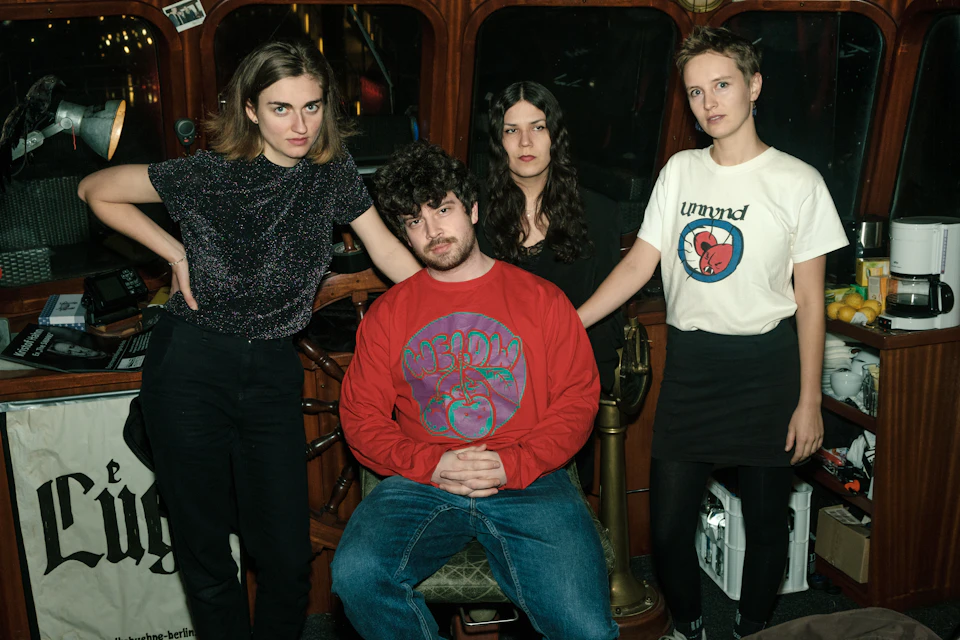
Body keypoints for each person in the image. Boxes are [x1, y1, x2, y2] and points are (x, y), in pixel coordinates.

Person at [77, 40, 420, 640]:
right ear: (251, 110)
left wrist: (462, 307)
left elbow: (386, 249)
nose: (300, 125)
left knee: (288, 560)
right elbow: (95, 189)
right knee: (208, 556)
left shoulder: (331, 172)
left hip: (271, 373)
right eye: (281, 108)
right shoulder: (208, 174)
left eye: (312, 106)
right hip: (191, 370)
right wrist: (174, 252)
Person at [577, 27, 848, 640]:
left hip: (768, 368)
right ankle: (691, 626)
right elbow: (639, 263)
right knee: (668, 527)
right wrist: (573, 320)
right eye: (696, 92)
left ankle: (752, 629)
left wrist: (810, 402)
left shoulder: (798, 182)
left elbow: (811, 302)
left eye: (722, 85)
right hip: (693, 365)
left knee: (766, 521)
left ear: (754, 86)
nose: (709, 103)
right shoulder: (680, 172)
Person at [331, 141, 619, 640]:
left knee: (588, 629)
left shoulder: (543, 300)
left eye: (442, 210)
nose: (432, 231)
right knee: (356, 575)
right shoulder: (388, 314)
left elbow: (577, 401)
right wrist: (431, 464)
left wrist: (516, 463)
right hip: (424, 477)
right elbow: (360, 418)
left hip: (529, 476)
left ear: (473, 210)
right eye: (414, 221)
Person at [479, 81, 624, 489]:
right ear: (498, 141)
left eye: (538, 127)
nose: (525, 141)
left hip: (569, 382)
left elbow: (610, 324)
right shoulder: (475, 213)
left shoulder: (598, 212)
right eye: (511, 130)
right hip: (492, 383)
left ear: (555, 135)